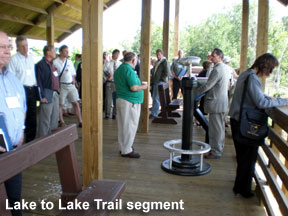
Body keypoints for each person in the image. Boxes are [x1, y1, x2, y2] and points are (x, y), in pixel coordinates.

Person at [229, 53, 288, 198]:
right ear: (264, 66)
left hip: (237, 120)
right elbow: (261, 103)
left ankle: (239, 187)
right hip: (245, 123)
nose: (270, 73)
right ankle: (244, 190)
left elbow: (254, 97)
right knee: (249, 158)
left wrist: (270, 98)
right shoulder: (253, 79)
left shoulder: (245, 74)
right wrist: (284, 101)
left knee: (243, 157)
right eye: (271, 69)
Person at [0, 31, 26, 216]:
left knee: (14, 200)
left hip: (14, 150)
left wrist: (22, 131)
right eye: (2, 47)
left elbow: (21, 108)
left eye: (8, 46)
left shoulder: (13, 79)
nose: (7, 51)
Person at [196, 48, 230, 159]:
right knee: (218, 128)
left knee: (216, 129)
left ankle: (216, 151)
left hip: (216, 103)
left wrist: (195, 93)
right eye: (211, 55)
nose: (211, 57)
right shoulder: (224, 68)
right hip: (221, 102)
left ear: (220, 57)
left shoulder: (218, 69)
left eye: (214, 55)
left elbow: (208, 85)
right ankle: (217, 149)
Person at [114, 52, 148, 158]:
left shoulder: (119, 69)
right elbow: (133, 87)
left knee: (123, 126)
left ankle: (123, 147)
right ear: (133, 60)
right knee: (130, 125)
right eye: (136, 61)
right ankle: (127, 150)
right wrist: (143, 86)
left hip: (121, 100)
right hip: (129, 102)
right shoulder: (128, 70)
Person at [7, 35, 37, 143]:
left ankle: (31, 141)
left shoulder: (30, 58)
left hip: (31, 89)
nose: (25, 48)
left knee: (32, 117)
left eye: (26, 45)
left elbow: (33, 76)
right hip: (20, 90)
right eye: (22, 46)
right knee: (20, 117)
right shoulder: (13, 59)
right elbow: (10, 79)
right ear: (17, 47)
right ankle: (17, 141)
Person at [53, 45, 82, 127]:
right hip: (62, 85)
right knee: (60, 104)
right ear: (61, 52)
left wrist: (74, 80)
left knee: (75, 102)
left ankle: (80, 120)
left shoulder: (69, 62)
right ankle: (61, 120)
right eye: (65, 51)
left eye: (67, 51)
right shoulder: (55, 62)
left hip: (71, 85)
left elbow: (73, 73)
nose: (67, 52)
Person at [36, 45, 60, 137]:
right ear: (48, 52)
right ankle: (42, 140)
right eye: (54, 51)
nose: (55, 53)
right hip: (46, 92)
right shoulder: (40, 65)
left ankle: (51, 138)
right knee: (45, 119)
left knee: (54, 117)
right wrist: (42, 96)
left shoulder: (53, 65)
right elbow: (38, 82)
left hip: (55, 93)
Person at [150, 49, 170, 118]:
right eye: (157, 54)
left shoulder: (164, 61)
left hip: (160, 81)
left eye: (159, 54)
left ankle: (154, 113)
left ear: (162, 54)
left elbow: (167, 72)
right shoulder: (158, 62)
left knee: (156, 98)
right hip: (156, 81)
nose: (158, 56)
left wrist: (162, 79)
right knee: (154, 97)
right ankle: (154, 111)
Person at [103, 49, 121, 119]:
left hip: (117, 82)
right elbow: (104, 71)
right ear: (113, 54)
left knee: (117, 98)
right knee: (108, 98)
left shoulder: (120, 64)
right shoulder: (108, 63)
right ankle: (107, 114)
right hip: (109, 82)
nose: (117, 55)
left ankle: (115, 113)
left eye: (118, 54)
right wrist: (107, 75)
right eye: (116, 54)